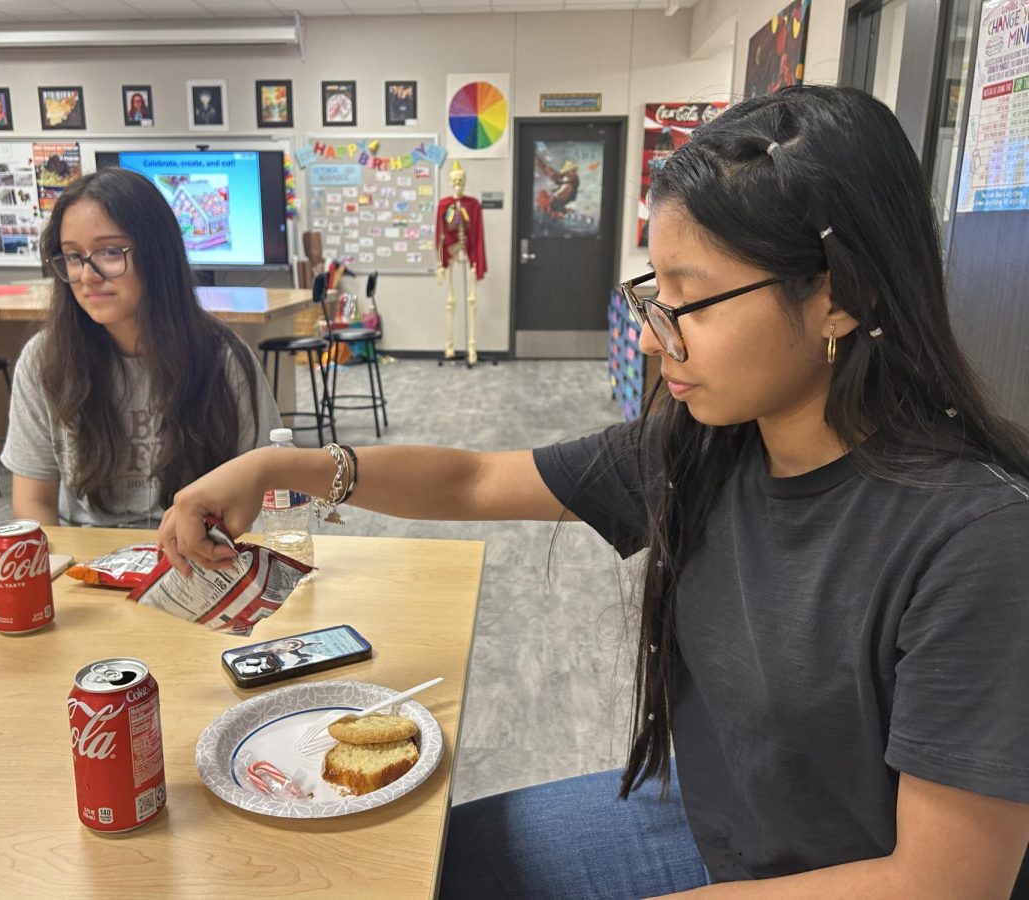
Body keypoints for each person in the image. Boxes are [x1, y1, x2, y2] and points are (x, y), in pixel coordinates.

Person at [158, 85, 1029, 897]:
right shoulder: (709, 446)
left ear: (839, 300)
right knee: (425, 867)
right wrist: (278, 468)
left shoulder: (975, 540)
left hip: (827, 875)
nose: (655, 340)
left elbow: (943, 882)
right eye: (656, 293)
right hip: (710, 821)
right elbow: (475, 479)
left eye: (689, 303)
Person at [2, 167, 280, 528]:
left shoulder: (224, 359)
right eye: (72, 256)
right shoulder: (45, 360)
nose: (87, 276)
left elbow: (267, 492)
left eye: (110, 252)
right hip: (89, 563)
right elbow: (32, 502)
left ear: (156, 255)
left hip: (197, 557)